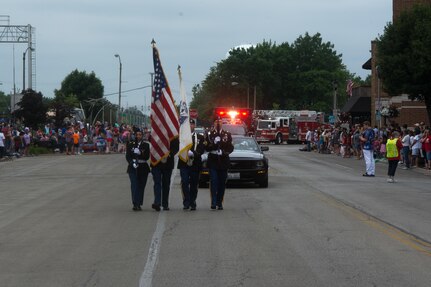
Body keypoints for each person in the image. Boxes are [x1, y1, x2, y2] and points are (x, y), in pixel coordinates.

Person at [205, 119, 234, 210]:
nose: (218, 123)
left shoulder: (227, 134)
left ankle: (219, 202)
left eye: (220, 122)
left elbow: (231, 147)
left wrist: (224, 152)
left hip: (223, 160)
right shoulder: (209, 135)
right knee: (214, 181)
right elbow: (206, 147)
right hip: (213, 160)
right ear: (214, 123)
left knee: (222, 183)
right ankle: (213, 202)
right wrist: (214, 144)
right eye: (216, 122)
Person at [177, 119, 205, 210]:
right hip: (184, 163)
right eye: (189, 125)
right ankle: (186, 201)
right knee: (184, 182)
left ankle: (193, 201)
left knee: (194, 184)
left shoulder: (200, 137)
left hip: (195, 163)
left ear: (194, 126)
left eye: (192, 124)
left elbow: (201, 148)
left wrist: (194, 153)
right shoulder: (181, 137)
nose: (190, 126)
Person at [151, 137, 179, 211]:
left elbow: (176, 146)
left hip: (168, 162)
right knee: (157, 183)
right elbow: (151, 140)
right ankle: (157, 202)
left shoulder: (172, 133)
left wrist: (169, 153)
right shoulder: (155, 131)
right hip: (156, 162)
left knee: (166, 184)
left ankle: (165, 204)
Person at [125, 130, 150, 211]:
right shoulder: (130, 144)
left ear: (142, 136)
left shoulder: (146, 145)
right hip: (133, 167)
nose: (138, 136)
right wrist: (131, 162)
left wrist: (140, 153)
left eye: (140, 135)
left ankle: (139, 203)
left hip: (143, 167)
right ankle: (135, 203)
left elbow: (147, 157)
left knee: (141, 186)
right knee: (134, 185)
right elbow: (128, 156)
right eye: (137, 134)